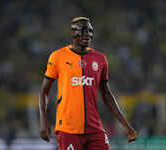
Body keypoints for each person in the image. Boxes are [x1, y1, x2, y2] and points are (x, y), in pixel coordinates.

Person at [39, 17, 137, 150]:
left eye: (90, 30)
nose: (88, 34)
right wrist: (43, 121)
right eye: (83, 30)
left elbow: (107, 94)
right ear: (73, 32)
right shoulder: (58, 57)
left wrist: (125, 125)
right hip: (68, 129)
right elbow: (44, 91)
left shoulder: (100, 59)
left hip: (94, 128)